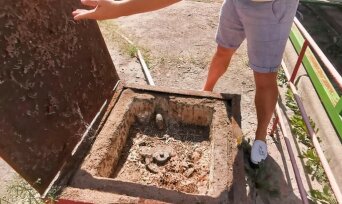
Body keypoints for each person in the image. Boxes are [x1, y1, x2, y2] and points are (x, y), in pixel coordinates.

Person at [72, 0, 299, 165]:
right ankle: (206, 92)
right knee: (223, 50)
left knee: (264, 74)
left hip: (272, 7)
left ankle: (260, 138)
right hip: (239, 2)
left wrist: (119, 10)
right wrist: (118, 8)